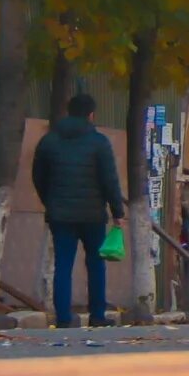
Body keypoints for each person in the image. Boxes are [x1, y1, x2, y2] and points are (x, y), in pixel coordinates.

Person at [30, 92, 124, 329]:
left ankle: (63, 318)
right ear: (91, 115)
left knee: (63, 264)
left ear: (68, 112)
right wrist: (117, 212)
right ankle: (98, 316)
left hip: (60, 215)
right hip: (93, 215)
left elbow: (38, 176)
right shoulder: (99, 142)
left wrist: (50, 202)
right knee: (95, 263)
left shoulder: (49, 141)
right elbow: (109, 179)